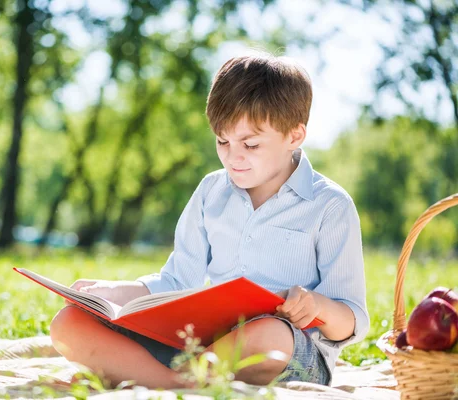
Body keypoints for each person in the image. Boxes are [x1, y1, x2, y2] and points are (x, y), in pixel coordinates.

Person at [49, 52, 370, 390]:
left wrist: (316, 305)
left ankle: (158, 379)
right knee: (69, 323)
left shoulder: (330, 206)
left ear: (294, 135)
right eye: (222, 141)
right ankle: (181, 383)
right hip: (201, 345)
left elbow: (353, 320)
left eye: (250, 143)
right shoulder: (210, 192)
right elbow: (176, 282)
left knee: (268, 334)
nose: (233, 156)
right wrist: (112, 293)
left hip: (286, 350)